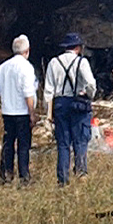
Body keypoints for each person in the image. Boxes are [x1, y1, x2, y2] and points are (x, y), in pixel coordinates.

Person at [42, 32, 96, 186]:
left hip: (60, 104)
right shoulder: (82, 62)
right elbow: (91, 84)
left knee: (63, 143)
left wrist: (49, 112)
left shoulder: (54, 62)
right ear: (78, 47)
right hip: (78, 103)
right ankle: (81, 173)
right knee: (80, 141)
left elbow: (48, 91)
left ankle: (62, 179)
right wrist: (90, 95)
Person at [0, 34, 36, 184]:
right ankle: (24, 175)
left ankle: (6, 173)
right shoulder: (27, 67)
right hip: (22, 112)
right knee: (23, 145)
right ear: (27, 50)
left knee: (8, 143)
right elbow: (28, 93)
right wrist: (32, 113)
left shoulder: (3, 67)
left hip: (7, 112)